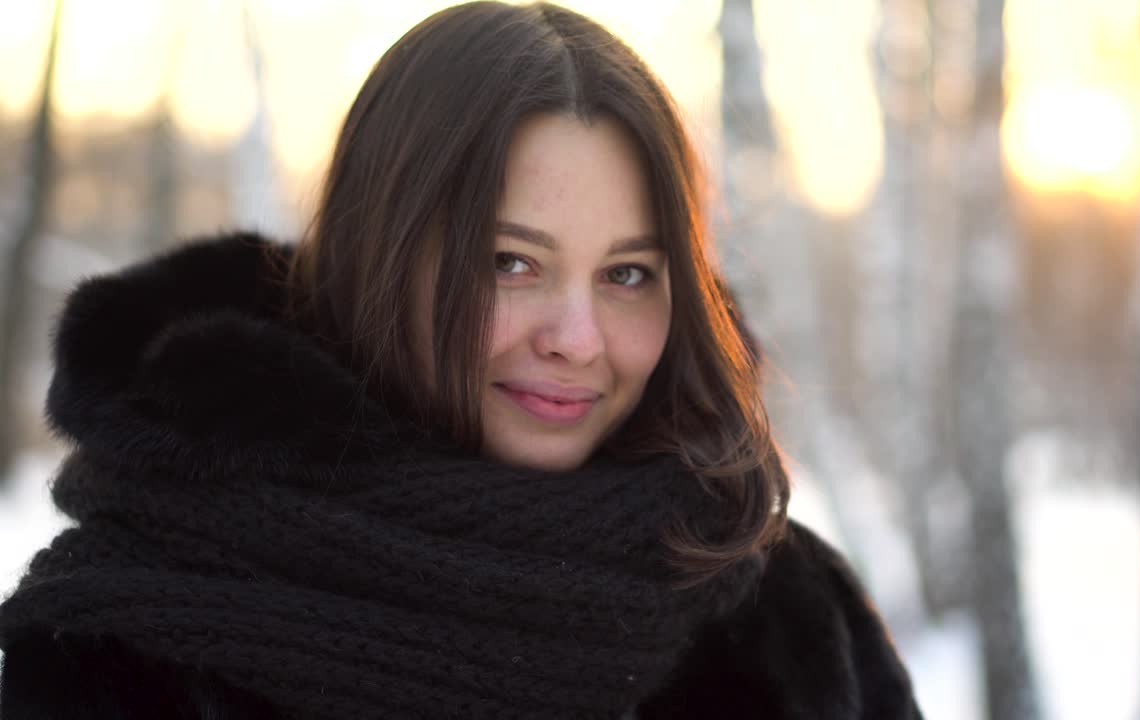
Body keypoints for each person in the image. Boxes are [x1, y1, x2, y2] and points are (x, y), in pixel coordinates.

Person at [0, 2, 922, 718]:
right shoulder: (135, 646)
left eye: (629, 273)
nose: (578, 337)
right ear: (379, 254)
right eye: (508, 262)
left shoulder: (778, 619)